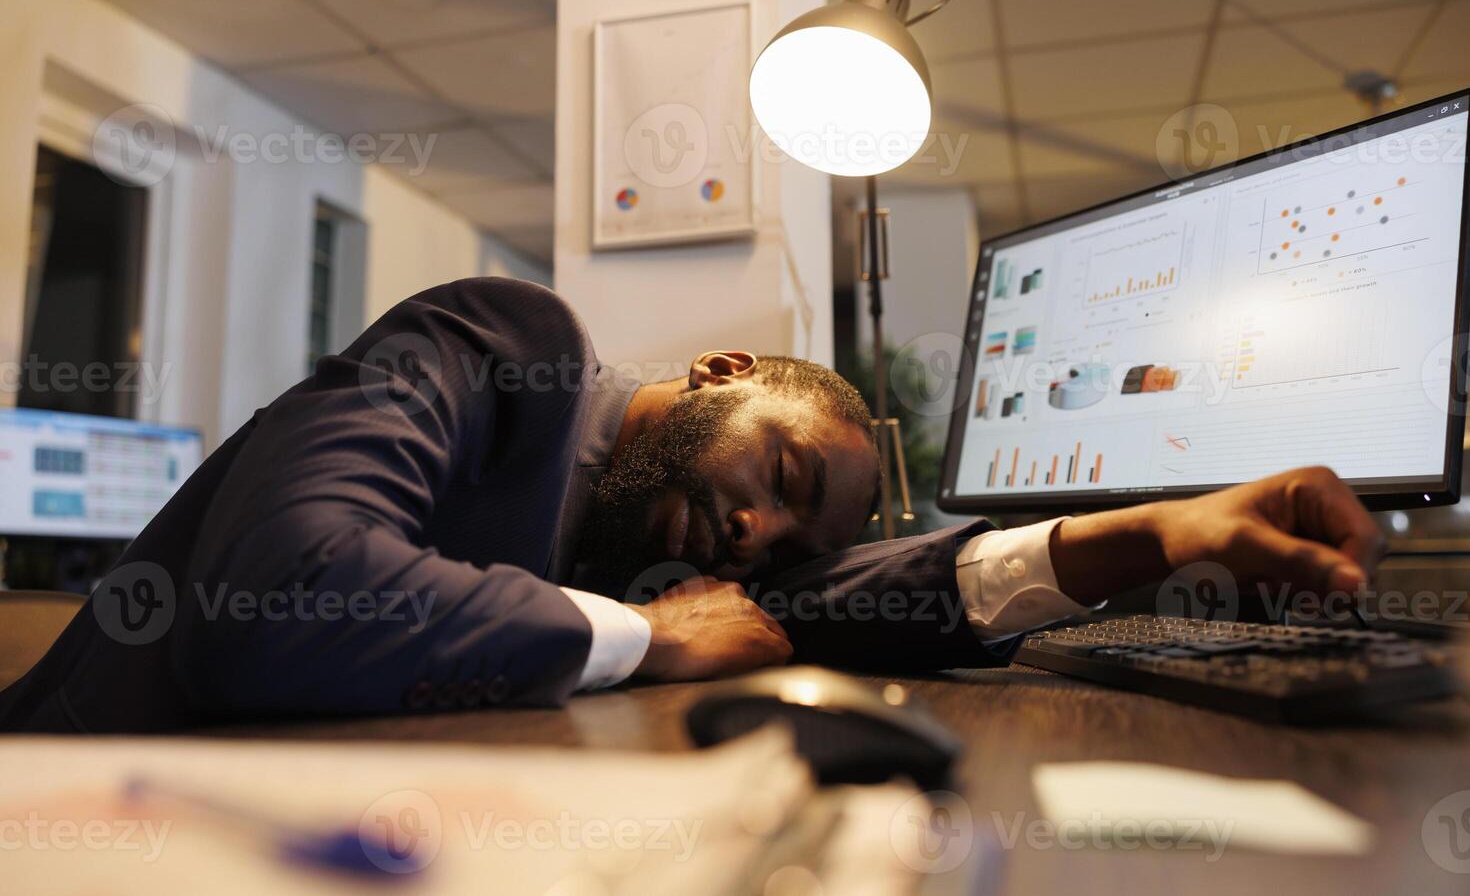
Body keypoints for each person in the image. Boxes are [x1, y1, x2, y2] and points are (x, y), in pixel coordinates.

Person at [0, 278, 1384, 732]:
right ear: (723, 376)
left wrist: (1155, 534)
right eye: (778, 478)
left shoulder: (649, 547)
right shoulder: (503, 353)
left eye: (794, 535)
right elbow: (291, 596)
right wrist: (647, 642)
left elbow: (860, 590)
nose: (757, 537)